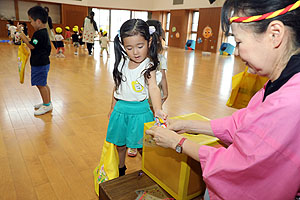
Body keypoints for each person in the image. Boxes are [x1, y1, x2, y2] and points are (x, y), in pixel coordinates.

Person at [146, 0, 300, 199]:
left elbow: (241, 166)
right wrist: (185, 124)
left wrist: (178, 142)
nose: (236, 52)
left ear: (275, 34)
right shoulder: (282, 81)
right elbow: (242, 123)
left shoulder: (290, 102)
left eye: (239, 42)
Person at [106, 19, 168, 176]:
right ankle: (121, 168)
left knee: (142, 145)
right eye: (129, 48)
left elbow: (153, 87)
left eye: (140, 46)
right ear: (122, 45)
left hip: (140, 112)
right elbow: (117, 86)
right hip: (120, 110)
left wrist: (158, 110)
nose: (135, 52)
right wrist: (112, 108)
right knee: (119, 144)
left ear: (149, 41)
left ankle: (149, 169)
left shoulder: (149, 65)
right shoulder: (121, 63)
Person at [127, 20, 169, 157]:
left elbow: (162, 77)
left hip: (155, 92)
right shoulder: (135, 59)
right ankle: (134, 144)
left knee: (151, 118)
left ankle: (146, 141)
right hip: (141, 94)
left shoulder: (160, 58)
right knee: (139, 119)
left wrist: (165, 92)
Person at [16, 5, 52, 116]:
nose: (30, 23)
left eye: (31, 21)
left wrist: (21, 35)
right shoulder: (43, 32)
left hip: (40, 64)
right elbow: (35, 43)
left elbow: (32, 46)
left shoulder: (39, 34)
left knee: (41, 84)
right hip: (43, 62)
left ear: (38, 21)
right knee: (43, 84)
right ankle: (47, 102)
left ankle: (46, 105)